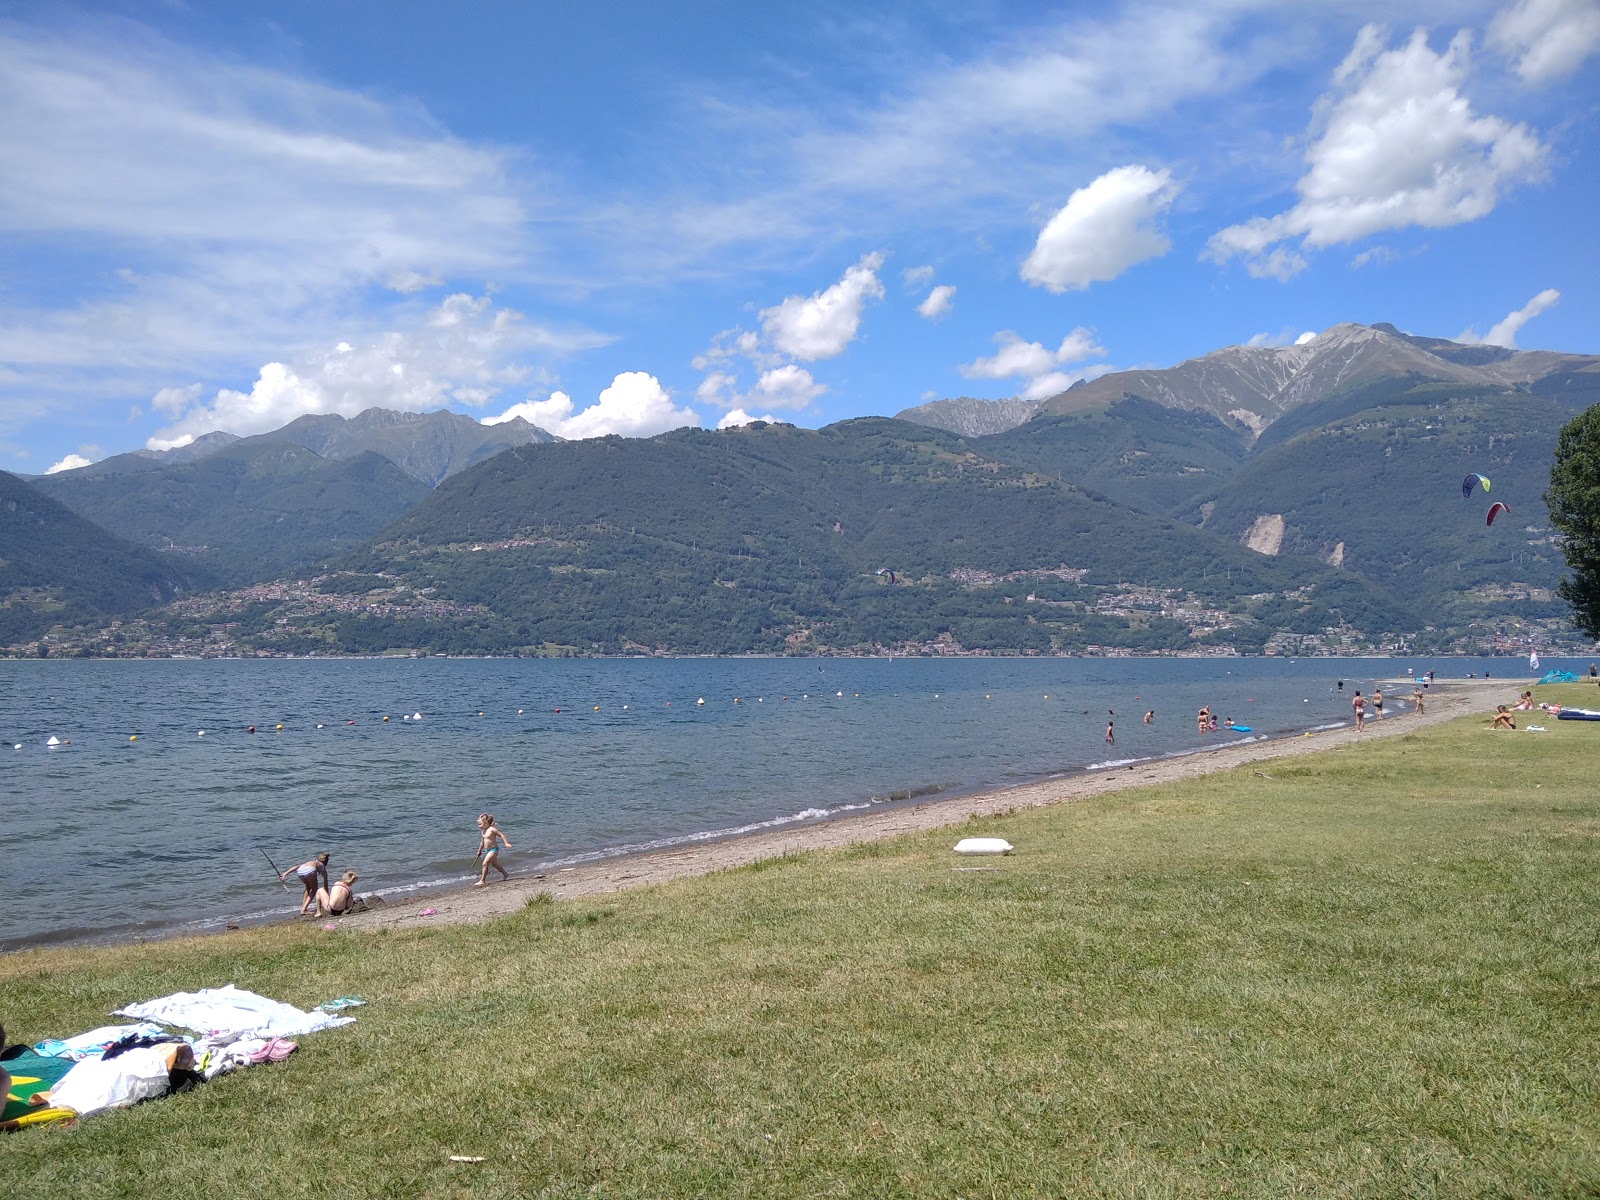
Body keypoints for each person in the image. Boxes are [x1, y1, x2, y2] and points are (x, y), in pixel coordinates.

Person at [475, 813, 512, 887]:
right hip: (488, 850)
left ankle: (482, 880)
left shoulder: (492, 829)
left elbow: (501, 835)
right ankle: (505, 874)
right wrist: (479, 851)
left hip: (494, 850)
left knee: (485, 864)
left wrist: (506, 843)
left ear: (486, 823)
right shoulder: (483, 831)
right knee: (495, 864)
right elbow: (482, 842)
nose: (479, 826)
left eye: (480, 824)